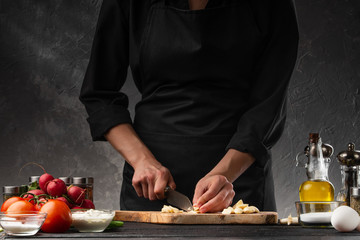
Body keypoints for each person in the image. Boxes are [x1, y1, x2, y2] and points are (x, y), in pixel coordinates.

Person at [80, 0, 299, 213]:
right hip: (151, 187)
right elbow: (99, 94)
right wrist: (142, 160)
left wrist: (225, 174)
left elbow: (270, 103)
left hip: (238, 184)